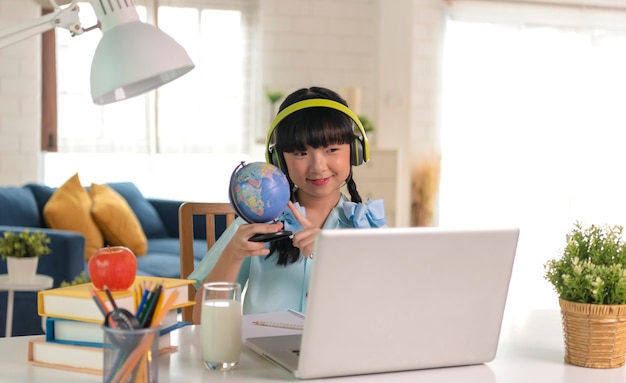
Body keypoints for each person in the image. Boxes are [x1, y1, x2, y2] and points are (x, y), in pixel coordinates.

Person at [189, 86, 387, 323]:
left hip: (338, 358)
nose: (317, 166)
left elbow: (383, 316)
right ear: (279, 159)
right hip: (262, 358)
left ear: (354, 151)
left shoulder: (369, 229)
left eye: (332, 149)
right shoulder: (255, 225)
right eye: (300, 153)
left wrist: (334, 259)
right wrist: (232, 254)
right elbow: (200, 320)